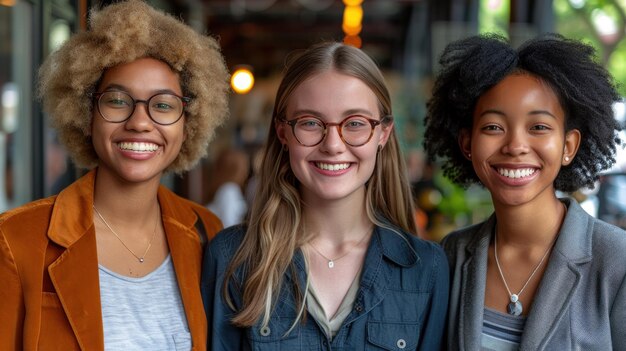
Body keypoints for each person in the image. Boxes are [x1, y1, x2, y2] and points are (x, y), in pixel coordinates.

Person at [0, 1, 229, 350]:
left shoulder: (206, 232)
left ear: (189, 122)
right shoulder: (15, 239)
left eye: (163, 105)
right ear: (86, 112)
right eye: (118, 101)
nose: (139, 122)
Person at [201, 42, 449, 350]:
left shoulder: (426, 268)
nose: (333, 144)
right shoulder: (231, 259)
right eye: (310, 123)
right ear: (283, 132)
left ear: (383, 133)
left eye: (355, 123)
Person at [424, 34, 626, 350]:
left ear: (568, 146)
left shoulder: (617, 260)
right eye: (493, 127)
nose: (515, 146)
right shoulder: (452, 253)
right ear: (467, 143)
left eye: (539, 127)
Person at [206, 148, 250, 227]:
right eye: (243, 169)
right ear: (234, 170)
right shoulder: (229, 190)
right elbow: (228, 225)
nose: (245, 173)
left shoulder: (223, 189)